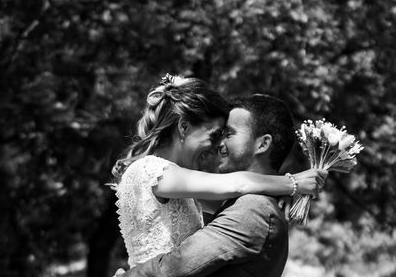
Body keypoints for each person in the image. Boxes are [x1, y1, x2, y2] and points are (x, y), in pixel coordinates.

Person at [112, 75, 325, 269]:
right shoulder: (152, 171)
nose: (216, 146)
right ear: (184, 128)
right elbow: (237, 184)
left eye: (225, 135)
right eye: (214, 135)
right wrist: (292, 183)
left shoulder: (174, 181)